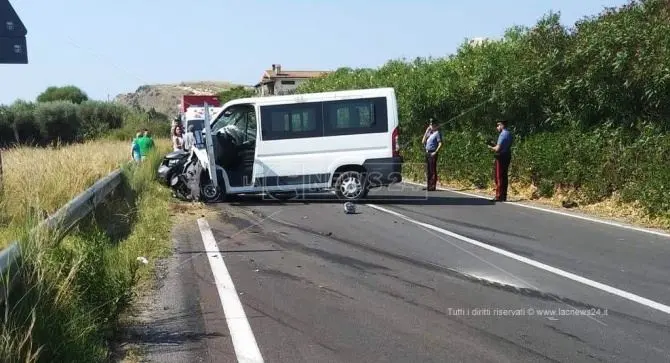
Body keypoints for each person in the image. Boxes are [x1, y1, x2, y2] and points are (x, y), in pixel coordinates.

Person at [488, 120, 513, 202]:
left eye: (498, 125)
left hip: (501, 156)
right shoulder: (509, 134)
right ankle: (504, 195)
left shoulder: (502, 134)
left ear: (502, 125)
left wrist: (491, 147)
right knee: (504, 176)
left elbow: (498, 148)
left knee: (499, 177)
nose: (497, 127)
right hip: (507, 155)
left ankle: (499, 196)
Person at [421, 118, 442, 191]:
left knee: (432, 170)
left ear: (436, 125)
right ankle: (428, 185)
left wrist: (435, 152)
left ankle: (433, 186)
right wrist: (426, 131)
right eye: (430, 124)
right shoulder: (430, 133)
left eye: (433, 124)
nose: (431, 126)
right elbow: (423, 141)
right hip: (427, 152)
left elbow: (440, 143)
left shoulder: (437, 133)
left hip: (433, 152)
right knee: (428, 170)